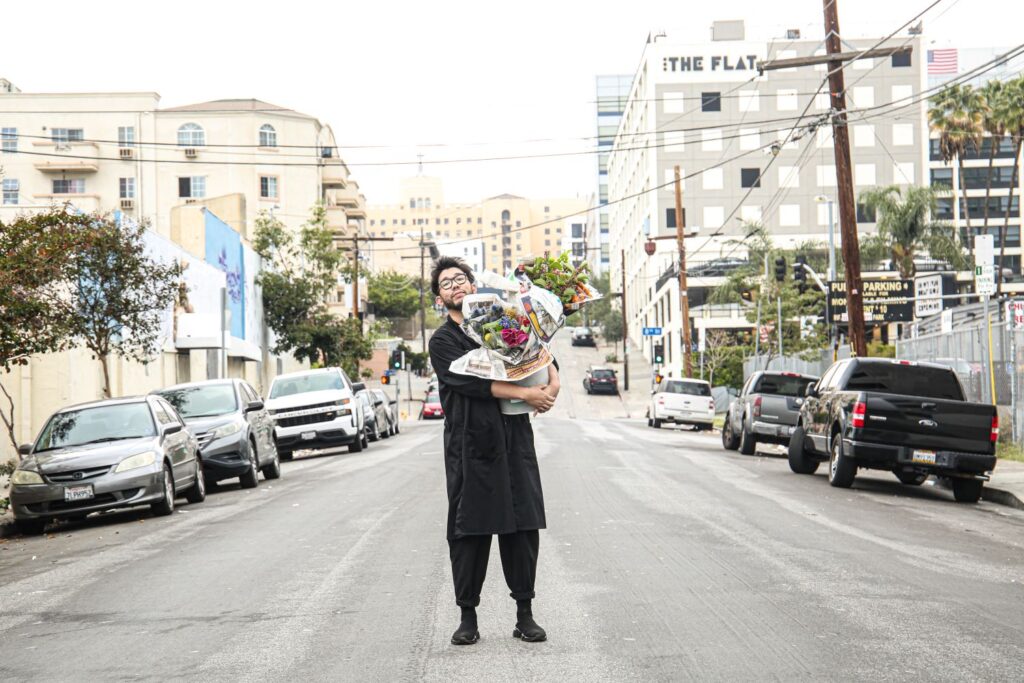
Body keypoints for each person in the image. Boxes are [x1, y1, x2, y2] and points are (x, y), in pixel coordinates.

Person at [427, 256, 560, 646]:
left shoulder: (503, 322)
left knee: (522, 526)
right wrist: (526, 393)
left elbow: (543, 355)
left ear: (473, 286)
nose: (455, 286)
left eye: (461, 279)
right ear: (440, 298)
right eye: (446, 283)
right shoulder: (443, 341)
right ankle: (467, 616)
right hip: (472, 444)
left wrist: (549, 388)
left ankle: (525, 614)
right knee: (470, 530)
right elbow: (472, 382)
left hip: (514, 438)